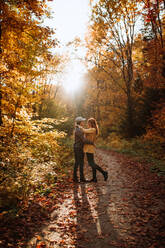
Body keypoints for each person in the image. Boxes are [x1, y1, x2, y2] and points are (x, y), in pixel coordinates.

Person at [81, 118, 108, 182]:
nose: (87, 124)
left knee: (91, 163)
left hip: (89, 148)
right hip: (88, 147)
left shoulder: (93, 129)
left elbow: (84, 130)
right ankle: (94, 178)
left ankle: (104, 172)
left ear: (91, 123)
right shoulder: (92, 129)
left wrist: (79, 126)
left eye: (88, 123)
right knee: (92, 163)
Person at [73, 116, 94, 183]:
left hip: (79, 147)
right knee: (78, 163)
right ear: (80, 122)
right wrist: (91, 142)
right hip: (78, 148)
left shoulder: (79, 129)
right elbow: (84, 140)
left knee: (79, 163)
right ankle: (77, 178)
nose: (83, 122)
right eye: (82, 121)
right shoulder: (78, 130)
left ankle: (79, 178)